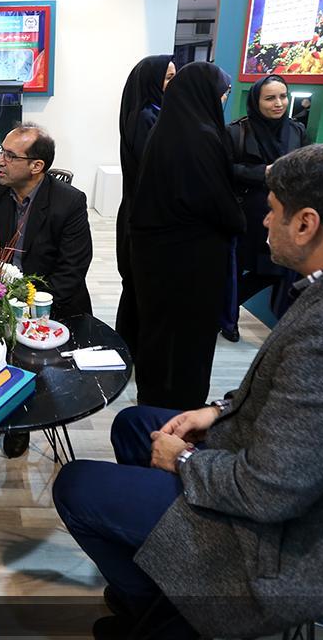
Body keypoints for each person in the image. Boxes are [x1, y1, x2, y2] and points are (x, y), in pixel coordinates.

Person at [54, 143, 323, 638]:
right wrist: (217, 412)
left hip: (307, 538)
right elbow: (303, 403)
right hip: (318, 482)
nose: (263, 221)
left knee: (77, 486)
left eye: (272, 209)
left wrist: (185, 461)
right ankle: (166, 586)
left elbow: (269, 492)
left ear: (306, 224)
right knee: (136, 425)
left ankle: (171, 618)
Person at [128, 62, 244, 410]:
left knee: (160, 332)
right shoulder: (201, 137)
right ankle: (179, 409)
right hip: (192, 260)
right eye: (222, 93)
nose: (223, 100)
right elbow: (215, 202)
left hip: (158, 255)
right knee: (187, 339)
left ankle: (155, 400)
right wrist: (240, 220)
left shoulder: (167, 130)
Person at [0, 122, 93, 457]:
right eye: (1, 152)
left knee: (28, 357)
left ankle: (22, 419)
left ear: (36, 166)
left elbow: (72, 271)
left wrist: (26, 305)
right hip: (1, 296)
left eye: (9, 156)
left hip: (51, 305)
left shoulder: (69, 202)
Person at [220, 74, 309, 341]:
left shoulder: (296, 131)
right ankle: (228, 322)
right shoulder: (236, 131)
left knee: (277, 269)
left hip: (283, 213)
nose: (278, 103)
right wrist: (263, 172)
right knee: (235, 269)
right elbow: (224, 169)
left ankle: (225, 311)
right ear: (256, 101)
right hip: (247, 212)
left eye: (283, 96)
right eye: (270, 98)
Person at [115, 54, 175, 355]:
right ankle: (129, 350)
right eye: (168, 78)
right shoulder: (147, 117)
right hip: (143, 215)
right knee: (138, 289)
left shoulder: (153, 113)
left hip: (140, 212)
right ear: (152, 82)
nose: (174, 84)